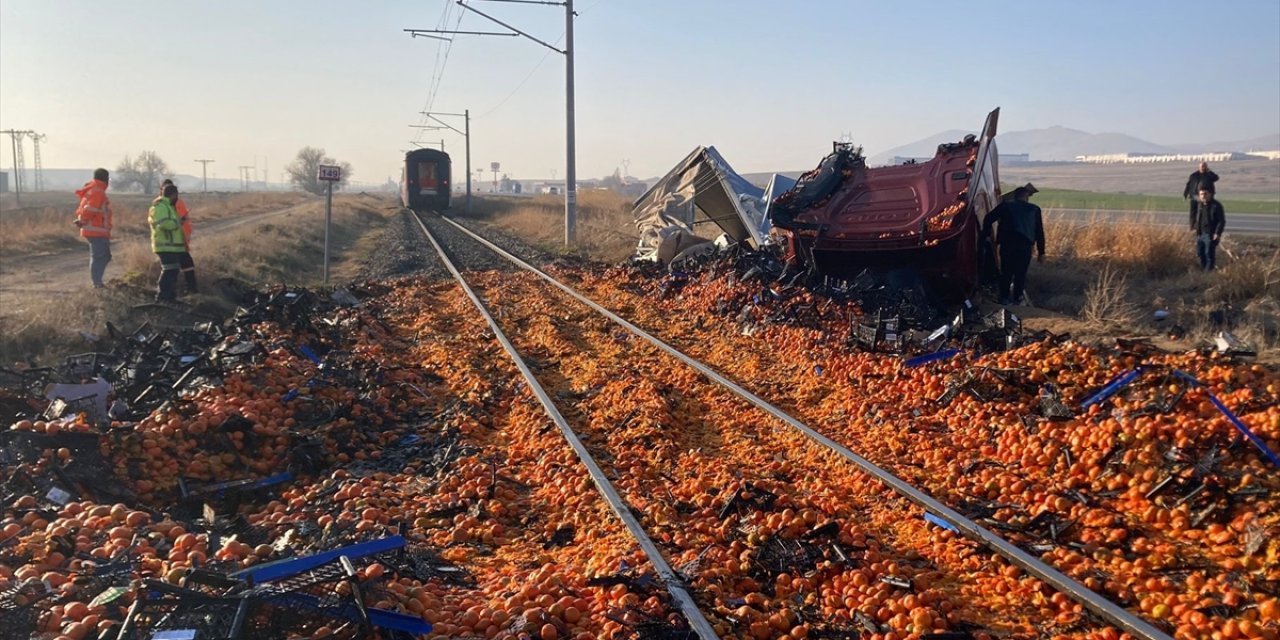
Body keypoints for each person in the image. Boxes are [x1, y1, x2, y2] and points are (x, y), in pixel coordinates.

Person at [983, 186, 1046, 305]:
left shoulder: (1006, 206)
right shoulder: (1034, 209)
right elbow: (1039, 232)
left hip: (1007, 245)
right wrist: (1041, 252)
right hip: (1025, 246)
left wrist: (986, 235)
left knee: (1006, 272)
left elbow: (988, 218)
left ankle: (1004, 298)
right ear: (1026, 197)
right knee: (1020, 273)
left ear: (1015, 195)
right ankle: (1017, 298)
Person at [74, 168, 113, 288]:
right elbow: (90, 209)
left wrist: (82, 221)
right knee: (99, 257)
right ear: (105, 179)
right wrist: (83, 221)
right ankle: (97, 284)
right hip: (96, 230)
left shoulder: (92, 190)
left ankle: (97, 282)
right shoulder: (98, 192)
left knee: (104, 256)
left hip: (94, 230)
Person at [148, 184, 188, 302]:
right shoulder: (161, 207)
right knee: (169, 270)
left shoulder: (168, 206)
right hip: (165, 245)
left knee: (173, 270)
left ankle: (169, 296)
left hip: (171, 247)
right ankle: (162, 297)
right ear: (174, 195)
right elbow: (164, 224)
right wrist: (177, 223)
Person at [161, 179, 198, 294]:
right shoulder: (161, 206)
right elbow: (166, 224)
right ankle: (168, 294)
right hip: (171, 243)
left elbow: (184, 222)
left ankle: (189, 290)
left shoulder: (176, 204)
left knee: (185, 266)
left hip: (179, 242)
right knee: (172, 269)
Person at [1190, 187, 1226, 271]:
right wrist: (1194, 227)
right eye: (1201, 194)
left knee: (1209, 253)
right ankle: (1204, 268)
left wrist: (1217, 233)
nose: (1203, 196)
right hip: (1200, 233)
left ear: (1210, 194)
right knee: (1200, 253)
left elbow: (1221, 221)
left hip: (1210, 234)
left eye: (1205, 194)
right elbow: (1195, 217)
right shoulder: (1200, 205)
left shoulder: (1216, 206)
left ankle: (1208, 272)